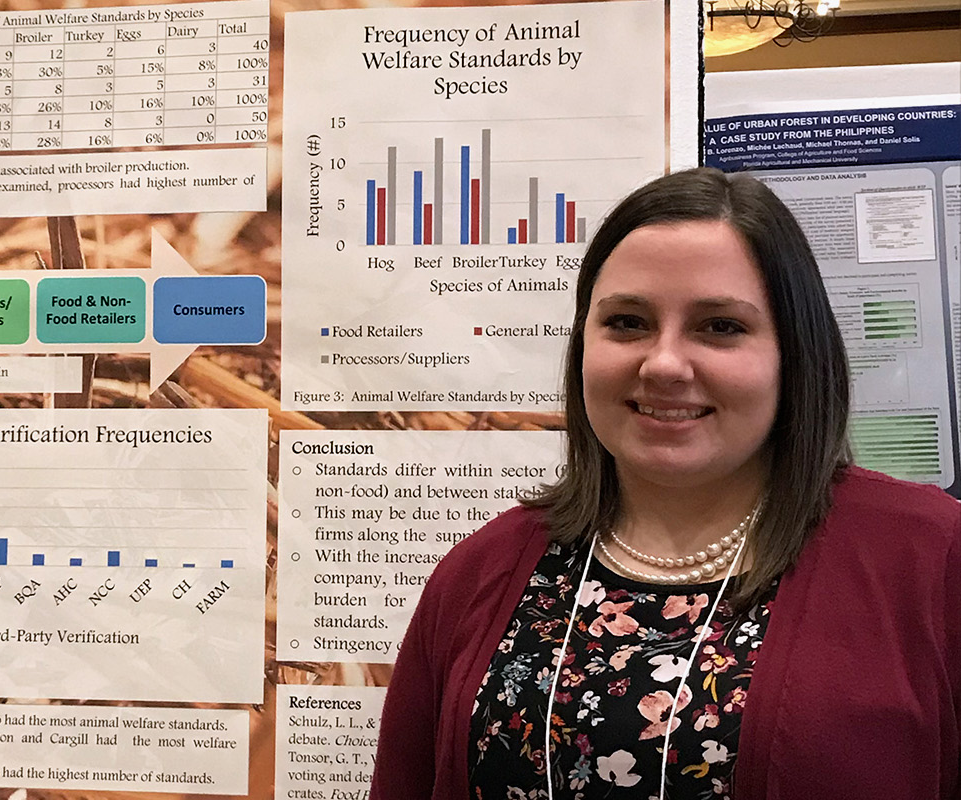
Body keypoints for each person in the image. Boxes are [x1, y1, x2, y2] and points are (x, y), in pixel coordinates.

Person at [369, 167, 961, 799]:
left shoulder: (930, 559)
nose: (665, 364)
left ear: (794, 351)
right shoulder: (483, 569)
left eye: (720, 326)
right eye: (627, 322)